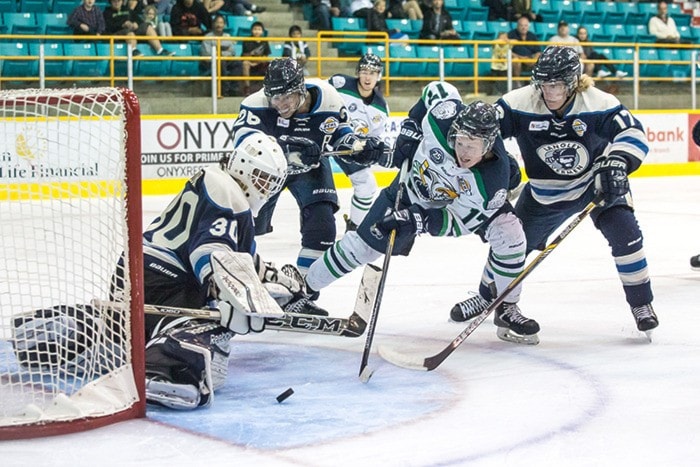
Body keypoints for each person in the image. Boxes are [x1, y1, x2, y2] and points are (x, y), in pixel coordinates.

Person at [109, 130, 329, 409]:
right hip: (160, 282)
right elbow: (209, 253)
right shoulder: (229, 194)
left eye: (273, 183)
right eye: (262, 178)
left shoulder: (217, 181)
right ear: (243, 167)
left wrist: (274, 277)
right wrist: (234, 297)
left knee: (116, 328)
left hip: (139, 273)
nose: (266, 189)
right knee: (221, 312)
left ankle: (86, 327)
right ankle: (168, 368)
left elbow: (230, 252)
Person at [305, 90, 540, 344]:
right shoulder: (444, 118)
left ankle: (506, 307)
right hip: (408, 189)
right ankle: (305, 289)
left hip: (444, 207)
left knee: (510, 234)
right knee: (362, 248)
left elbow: (458, 222)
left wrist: (419, 220)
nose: (463, 152)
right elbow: (435, 90)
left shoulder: (492, 182)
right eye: (460, 142)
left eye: (472, 146)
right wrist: (411, 125)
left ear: (489, 144)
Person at [455, 46, 659, 338]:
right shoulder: (520, 102)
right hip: (543, 194)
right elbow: (485, 130)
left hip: (595, 185)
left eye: (557, 85)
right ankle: (488, 295)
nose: (549, 92)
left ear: (574, 81)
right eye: (544, 84)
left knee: (626, 236)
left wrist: (617, 160)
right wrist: (496, 164)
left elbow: (633, 132)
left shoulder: (598, 102)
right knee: (511, 246)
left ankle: (642, 305)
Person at [233, 58, 386, 275]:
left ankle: (304, 292)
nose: (280, 104)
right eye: (275, 97)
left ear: (301, 90)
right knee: (241, 227)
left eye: (286, 96)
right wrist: (287, 148)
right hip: (266, 171)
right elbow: (243, 144)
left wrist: (359, 147)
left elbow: (341, 134)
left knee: (322, 229)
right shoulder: (255, 104)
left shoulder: (330, 99)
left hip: (311, 167)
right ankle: (238, 280)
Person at [329, 53, 391, 231]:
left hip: (350, 148)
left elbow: (373, 139)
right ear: (358, 72)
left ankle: (354, 228)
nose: (368, 76)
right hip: (322, 138)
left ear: (379, 76)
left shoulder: (380, 108)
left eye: (373, 72)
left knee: (367, 184)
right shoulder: (339, 84)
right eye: (364, 71)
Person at [103, 0, 174, 56]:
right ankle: (134, 51)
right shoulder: (106, 12)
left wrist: (136, 24)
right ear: (110, 2)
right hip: (117, 34)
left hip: (132, 31)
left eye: (119, 1)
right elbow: (108, 27)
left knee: (147, 26)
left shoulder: (127, 10)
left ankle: (160, 50)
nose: (117, 3)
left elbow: (139, 20)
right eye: (114, 1)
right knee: (129, 32)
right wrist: (122, 25)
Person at [200, 14, 242, 96]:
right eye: (217, 22)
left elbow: (232, 52)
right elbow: (207, 53)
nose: (219, 25)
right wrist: (223, 52)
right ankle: (224, 90)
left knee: (238, 63)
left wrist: (219, 52)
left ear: (224, 25)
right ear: (213, 24)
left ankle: (234, 90)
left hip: (226, 60)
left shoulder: (227, 36)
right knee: (220, 62)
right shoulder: (208, 37)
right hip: (210, 62)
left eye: (221, 23)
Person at [507, 16, 541, 84]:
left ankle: (537, 83)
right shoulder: (511, 35)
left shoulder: (532, 36)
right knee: (515, 60)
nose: (523, 27)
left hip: (530, 59)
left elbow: (538, 51)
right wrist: (522, 58)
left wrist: (534, 60)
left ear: (528, 26)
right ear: (517, 26)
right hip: (517, 59)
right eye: (521, 25)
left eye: (525, 25)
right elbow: (508, 51)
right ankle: (517, 83)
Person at [241, 21, 271, 96]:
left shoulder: (265, 41)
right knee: (245, 63)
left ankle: (269, 88)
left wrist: (259, 60)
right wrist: (253, 60)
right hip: (250, 62)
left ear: (262, 31)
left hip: (261, 62)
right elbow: (245, 55)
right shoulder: (247, 40)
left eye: (259, 29)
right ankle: (247, 88)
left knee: (272, 64)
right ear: (251, 30)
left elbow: (266, 55)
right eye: (255, 29)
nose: (257, 31)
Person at [489, 31, 510, 95]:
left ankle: (504, 93)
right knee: (493, 81)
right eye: (502, 37)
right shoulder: (495, 44)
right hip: (495, 66)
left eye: (505, 37)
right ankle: (492, 93)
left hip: (504, 66)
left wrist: (508, 40)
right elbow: (492, 42)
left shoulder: (508, 44)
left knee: (503, 81)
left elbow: (516, 41)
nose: (504, 39)